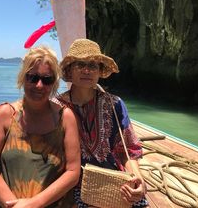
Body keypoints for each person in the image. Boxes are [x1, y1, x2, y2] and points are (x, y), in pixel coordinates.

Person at [0, 46, 81, 208]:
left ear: (54, 82)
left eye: (46, 79)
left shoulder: (65, 117)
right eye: (32, 78)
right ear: (23, 78)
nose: (39, 85)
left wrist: (33, 204)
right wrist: (14, 206)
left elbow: (72, 172)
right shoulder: (5, 114)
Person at [54, 38, 148, 208]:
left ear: (99, 71)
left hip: (114, 185)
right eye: (80, 64)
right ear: (69, 70)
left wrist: (138, 180)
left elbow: (129, 150)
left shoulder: (115, 104)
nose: (87, 70)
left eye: (93, 65)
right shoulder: (55, 107)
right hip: (72, 186)